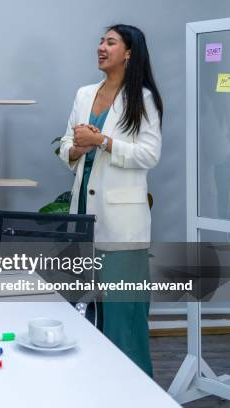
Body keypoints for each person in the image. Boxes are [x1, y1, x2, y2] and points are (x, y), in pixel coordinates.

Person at [59, 24, 163, 376]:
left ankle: (135, 390)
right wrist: (75, 147)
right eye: (101, 41)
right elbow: (65, 144)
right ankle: (97, 386)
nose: (101, 47)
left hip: (123, 226)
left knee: (124, 315)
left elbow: (149, 155)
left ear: (129, 52)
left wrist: (102, 141)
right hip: (83, 218)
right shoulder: (84, 94)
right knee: (87, 313)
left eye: (111, 42)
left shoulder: (143, 99)